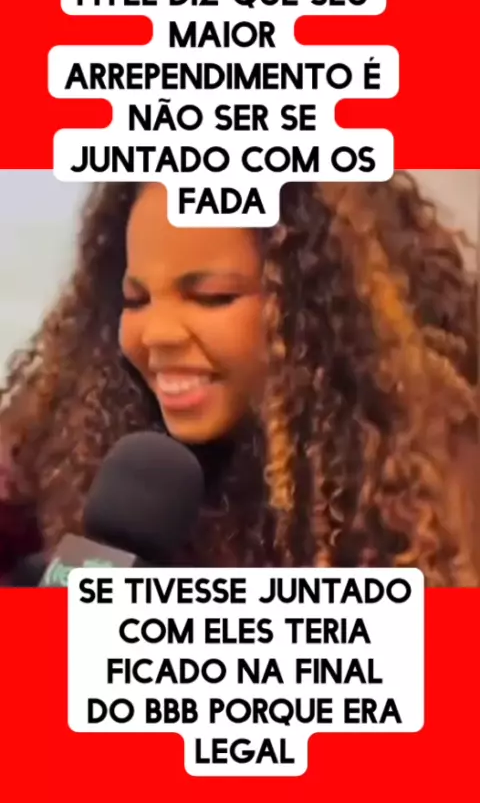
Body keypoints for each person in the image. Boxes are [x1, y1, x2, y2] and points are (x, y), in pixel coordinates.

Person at [0, 175, 478, 585]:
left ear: (320, 310)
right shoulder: (38, 474)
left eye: (212, 296)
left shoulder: (433, 506)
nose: (157, 333)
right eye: (136, 300)